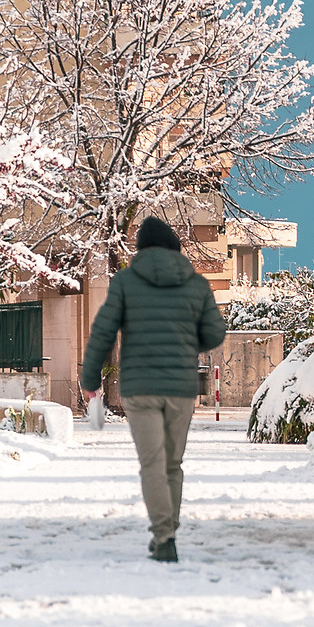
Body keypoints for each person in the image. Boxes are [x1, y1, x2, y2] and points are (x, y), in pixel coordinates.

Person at [81, 216, 226, 563]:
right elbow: (216, 334)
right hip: (181, 387)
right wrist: (189, 342)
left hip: (140, 387)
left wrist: (90, 381)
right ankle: (168, 532)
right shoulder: (196, 285)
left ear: (141, 249)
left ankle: (164, 536)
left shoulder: (126, 282)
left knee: (152, 463)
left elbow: (103, 332)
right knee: (173, 463)